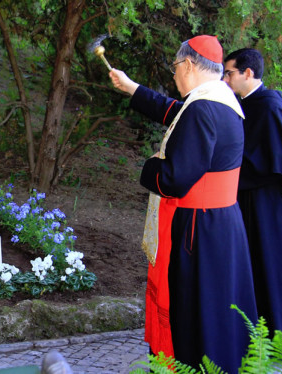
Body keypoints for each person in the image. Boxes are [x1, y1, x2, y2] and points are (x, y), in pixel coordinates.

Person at [109, 35, 258, 371]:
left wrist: (150, 166)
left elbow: (175, 179)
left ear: (189, 64)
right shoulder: (220, 100)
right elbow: (175, 113)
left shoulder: (202, 108)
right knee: (217, 309)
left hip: (196, 233)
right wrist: (133, 88)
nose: (174, 74)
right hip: (220, 224)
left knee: (193, 313)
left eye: (175, 66)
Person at [223, 48, 282, 347]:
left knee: (269, 264)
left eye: (230, 73)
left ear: (248, 73)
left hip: (265, 204)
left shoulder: (270, 106)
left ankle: (277, 338)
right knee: (252, 264)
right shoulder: (245, 104)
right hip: (248, 199)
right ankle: (255, 335)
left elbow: (276, 163)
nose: (226, 79)